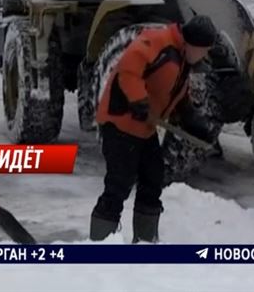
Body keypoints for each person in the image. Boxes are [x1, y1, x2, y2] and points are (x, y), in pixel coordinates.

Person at [90, 15, 217, 243]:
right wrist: (138, 100)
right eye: (203, 50)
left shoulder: (183, 58)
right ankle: (101, 244)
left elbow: (174, 91)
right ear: (191, 43)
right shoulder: (157, 41)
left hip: (144, 129)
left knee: (152, 179)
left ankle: (146, 241)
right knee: (119, 183)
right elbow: (128, 69)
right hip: (120, 123)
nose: (204, 55)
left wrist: (189, 117)